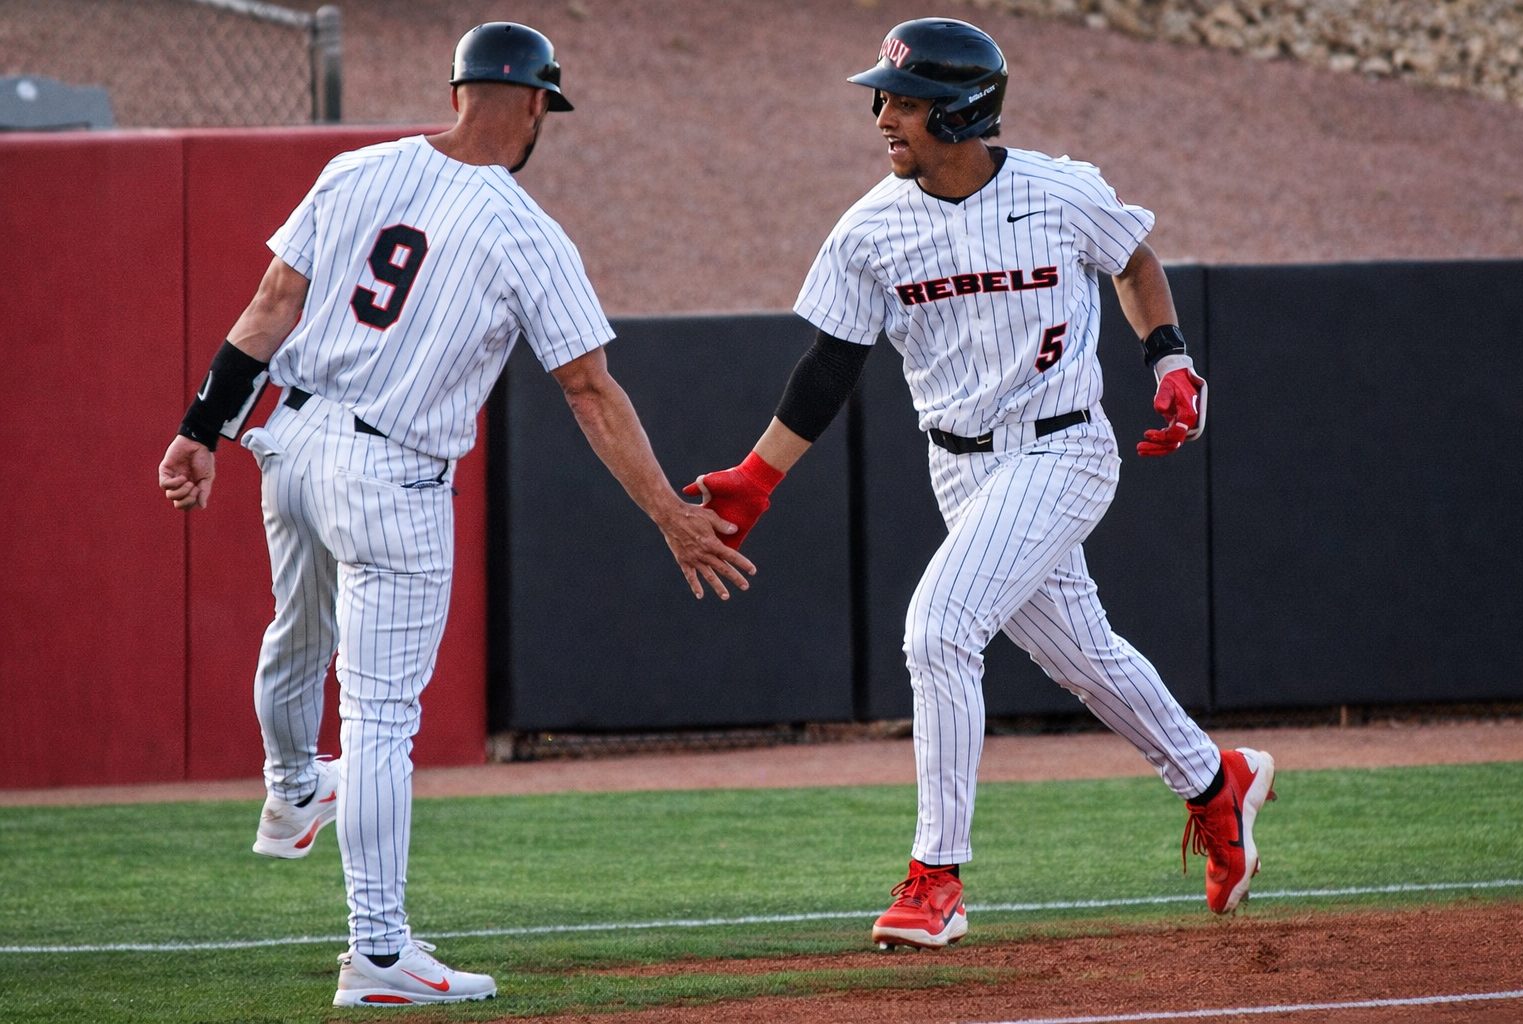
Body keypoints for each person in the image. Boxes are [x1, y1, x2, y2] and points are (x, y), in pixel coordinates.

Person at [158, 22, 754, 1006]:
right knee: (382, 721)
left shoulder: (356, 170)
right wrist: (667, 514)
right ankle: (380, 953)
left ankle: (290, 791)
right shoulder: (525, 231)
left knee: (295, 636)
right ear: (528, 107)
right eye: (543, 110)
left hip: (290, 443)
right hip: (391, 472)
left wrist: (197, 428)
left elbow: (272, 299)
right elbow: (592, 391)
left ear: (455, 92)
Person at [685, 17, 1275, 950]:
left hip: (1066, 448)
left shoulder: (1057, 190)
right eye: (883, 97)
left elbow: (1133, 260)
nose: (883, 115)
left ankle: (936, 879)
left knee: (939, 627)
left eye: (905, 102)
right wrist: (758, 476)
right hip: (959, 468)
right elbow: (830, 365)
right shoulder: (870, 228)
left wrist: (1170, 358)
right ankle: (1216, 782)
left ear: (962, 111)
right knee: (1083, 657)